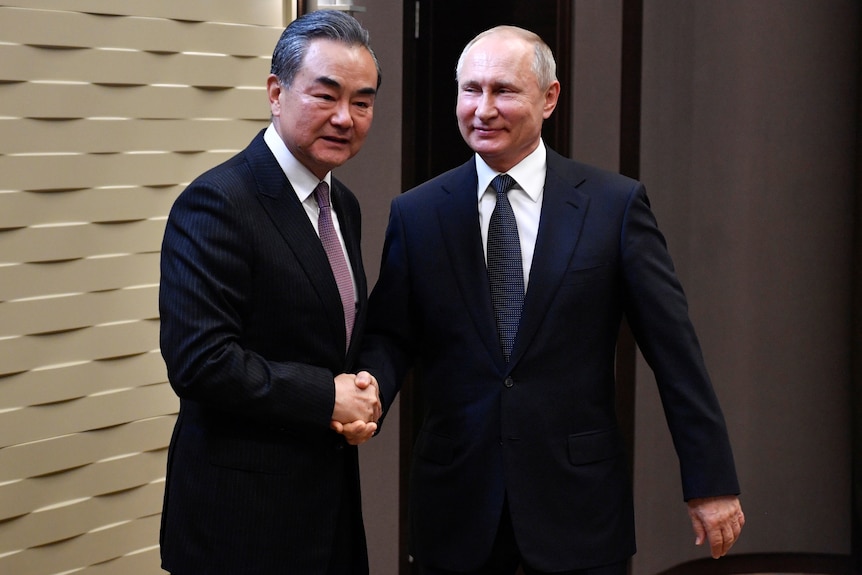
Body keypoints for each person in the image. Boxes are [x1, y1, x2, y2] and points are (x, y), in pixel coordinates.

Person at [361, 25, 744, 575]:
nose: (483, 109)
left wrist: (710, 481)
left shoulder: (613, 206)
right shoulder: (418, 213)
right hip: (456, 509)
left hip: (579, 509)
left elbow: (675, 352)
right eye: (471, 90)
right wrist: (368, 390)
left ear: (550, 98)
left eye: (504, 91)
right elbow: (392, 334)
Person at [158, 10, 382, 575]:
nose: (344, 118)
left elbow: (331, 339)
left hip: (326, 515)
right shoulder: (218, 203)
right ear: (276, 94)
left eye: (362, 101)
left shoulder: (343, 206)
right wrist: (326, 397)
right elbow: (200, 362)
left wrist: (362, 392)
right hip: (239, 526)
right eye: (325, 95)